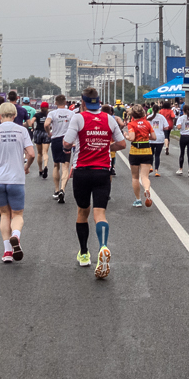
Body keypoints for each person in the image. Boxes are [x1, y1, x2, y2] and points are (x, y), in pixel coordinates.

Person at [62, 88, 126, 276]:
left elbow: (66, 143)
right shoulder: (109, 119)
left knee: (82, 212)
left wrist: (76, 145)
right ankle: (103, 247)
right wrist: (106, 146)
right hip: (102, 172)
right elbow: (122, 144)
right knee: (100, 213)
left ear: (82, 102)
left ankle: (83, 254)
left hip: (82, 171)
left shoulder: (78, 118)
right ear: (98, 102)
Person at [0, 102, 35, 264]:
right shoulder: (22, 130)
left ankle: (7, 252)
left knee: (4, 214)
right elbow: (31, 153)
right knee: (17, 214)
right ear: (15, 115)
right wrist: (26, 167)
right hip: (15, 179)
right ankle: (15, 235)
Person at [126, 104, 155, 207]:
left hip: (135, 152)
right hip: (147, 151)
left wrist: (126, 135)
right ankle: (147, 190)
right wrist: (145, 136)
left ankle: (138, 200)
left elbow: (132, 138)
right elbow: (154, 137)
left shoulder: (131, 124)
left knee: (135, 177)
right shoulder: (147, 123)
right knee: (145, 176)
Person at [46, 94, 74, 204]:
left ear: (56, 103)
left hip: (56, 139)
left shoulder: (52, 113)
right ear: (66, 102)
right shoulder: (71, 114)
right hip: (67, 140)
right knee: (66, 165)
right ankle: (63, 188)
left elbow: (47, 124)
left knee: (56, 164)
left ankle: (57, 190)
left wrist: (49, 133)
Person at [174, 104, 189, 177]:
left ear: (182, 110)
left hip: (183, 136)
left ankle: (180, 169)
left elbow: (179, 127)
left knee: (182, 153)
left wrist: (181, 127)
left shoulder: (181, 118)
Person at [30, 102, 51, 178]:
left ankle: (40, 170)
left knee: (39, 153)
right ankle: (45, 166)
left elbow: (31, 122)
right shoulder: (49, 115)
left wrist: (32, 128)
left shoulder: (37, 115)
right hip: (46, 133)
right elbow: (50, 124)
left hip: (38, 132)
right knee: (45, 152)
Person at [149, 105, 169, 177]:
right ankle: (156, 170)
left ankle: (150, 167)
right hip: (160, 138)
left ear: (152, 109)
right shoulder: (162, 117)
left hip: (151, 137)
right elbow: (166, 127)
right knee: (157, 155)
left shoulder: (149, 117)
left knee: (151, 154)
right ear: (158, 110)